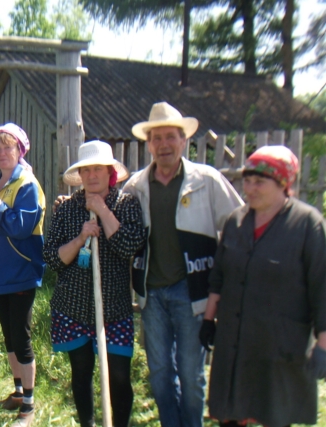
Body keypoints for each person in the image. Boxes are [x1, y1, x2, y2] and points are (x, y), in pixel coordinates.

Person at [122, 102, 243, 427]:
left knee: (191, 376)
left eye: (170, 137)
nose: (164, 145)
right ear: (149, 144)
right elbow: (115, 225)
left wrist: (228, 282)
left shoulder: (207, 180)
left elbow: (239, 225)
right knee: (160, 374)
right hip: (152, 295)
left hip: (194, 294)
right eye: (157, 138)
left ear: (183, 141)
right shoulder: (135, 187)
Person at [201, 145, 326, 427]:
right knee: (230, 413)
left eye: (260, 182)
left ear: (283, 184)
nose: (250, 188)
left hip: (279, 341)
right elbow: (219, 276)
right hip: (234, 339)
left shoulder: (307, 225)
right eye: (247, 181)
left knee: (274, 412)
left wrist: (323, 345)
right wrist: (209, 320)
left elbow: (322, 288)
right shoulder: (236, 221)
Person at [43, 140, 146, 427]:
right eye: (86, 170)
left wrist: (102, 211)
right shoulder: (66, 209)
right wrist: (79, 239)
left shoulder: (126, 205)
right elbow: (52, 258)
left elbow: (129, 247)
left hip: (114, 308)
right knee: (81, 371)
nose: (91, 176)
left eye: (97, 169)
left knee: (120, 377)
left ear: (109, 172)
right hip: (72, 307)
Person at [0, 123, 45, 427]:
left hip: (21, 271)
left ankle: (28, 406)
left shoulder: (27, 184)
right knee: (9, 338)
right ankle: (18, 392)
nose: (2, 153)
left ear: (20, 151)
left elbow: (19, 227)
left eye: (8, 147)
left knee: (22, 337)